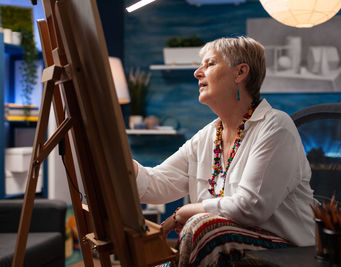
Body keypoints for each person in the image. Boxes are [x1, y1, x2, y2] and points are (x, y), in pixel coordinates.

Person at [132, 36, 315, 266]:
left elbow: (250, 207)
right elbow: (156, 183)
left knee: (204, 227)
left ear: (240, 73)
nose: (197, 73)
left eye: (209, 64)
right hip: (227, 242)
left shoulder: (276, 126)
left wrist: (187, 211)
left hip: (285, 250)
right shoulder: (207, 136)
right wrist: (122, 164)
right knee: (203, 228)